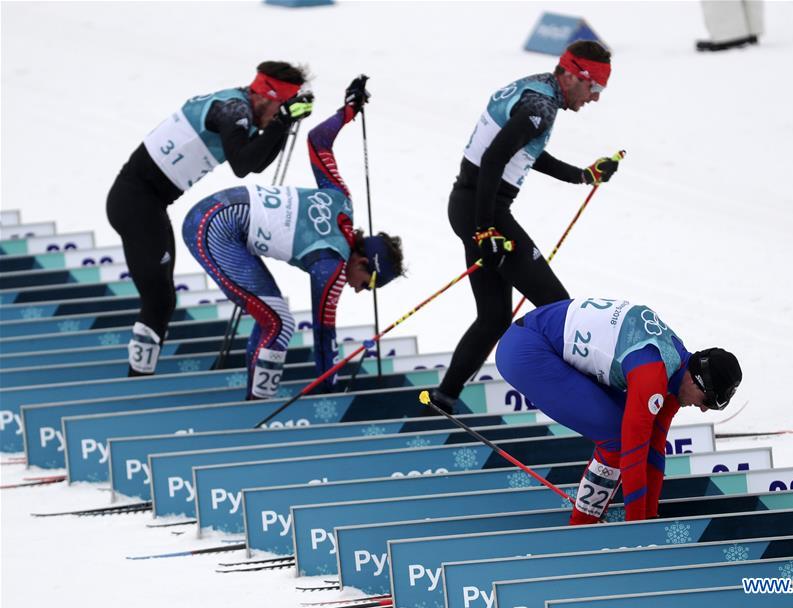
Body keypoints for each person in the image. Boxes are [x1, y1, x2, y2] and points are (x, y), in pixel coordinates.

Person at [429, 40, 622, 414]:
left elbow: (525, 150)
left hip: (471, 207)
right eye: (594, 87)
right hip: (482, 212)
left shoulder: (536, 90)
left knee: (494, 317)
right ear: (573, 75)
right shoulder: (541, 106)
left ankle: (443, 399)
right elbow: (494, 159)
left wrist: (583, 175)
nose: (595, 98)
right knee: (561, 311)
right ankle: (594, 413)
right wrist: (486, 229)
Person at [181, 77, 404, 400]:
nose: (359, 289)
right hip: (216, 226)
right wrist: (328, 390)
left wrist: (349, 110)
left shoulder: (341, 200)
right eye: (368, 283)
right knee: (279, 322)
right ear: (364, 261)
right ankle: (258, 404)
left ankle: (254, 397)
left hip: (215, 216)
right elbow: (324, 331)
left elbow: (317, 141)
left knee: (272, 313)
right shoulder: (331, 264)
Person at [107, 61, 314, 376]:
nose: (276, 115)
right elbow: (243, 164)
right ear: (268, 97)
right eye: (280, 107)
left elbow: (257, 161)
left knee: (162, 298)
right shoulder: (233, 110)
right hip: (135, 203)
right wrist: (279, 123)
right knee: (159, 299)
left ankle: (139, 373)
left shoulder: (241, 107)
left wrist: (282, 124)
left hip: (147, 204)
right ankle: (136, 378)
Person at [495, 297, 742, 523]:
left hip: (541, 339)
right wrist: (637, 529)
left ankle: (589, 521)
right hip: (525, 349)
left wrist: (651, 514)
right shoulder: (653, 374)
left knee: (626, 430)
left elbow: (654, 446)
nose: (703, 410)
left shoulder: (676, 369)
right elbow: (633, 454)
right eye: (708, 401)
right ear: (696, 380)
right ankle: (581, 526)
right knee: (616, 437)